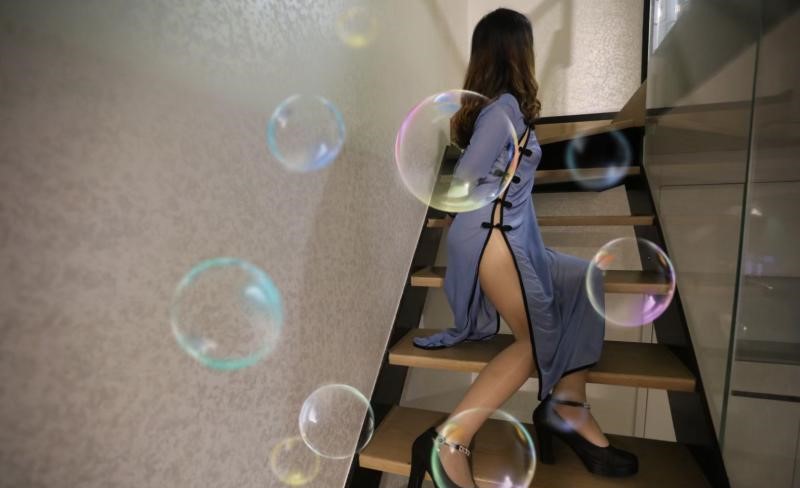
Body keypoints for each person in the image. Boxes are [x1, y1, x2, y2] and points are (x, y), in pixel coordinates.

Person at [408, 8, 638, 487]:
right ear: (518, 52)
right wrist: (494, 183)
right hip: (494, 234)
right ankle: (448, 441)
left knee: (583, 276)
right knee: (533, 343)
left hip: (501, 232)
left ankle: (568, 403)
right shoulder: (505, 108)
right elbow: (466, 176)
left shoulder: (499, 109)